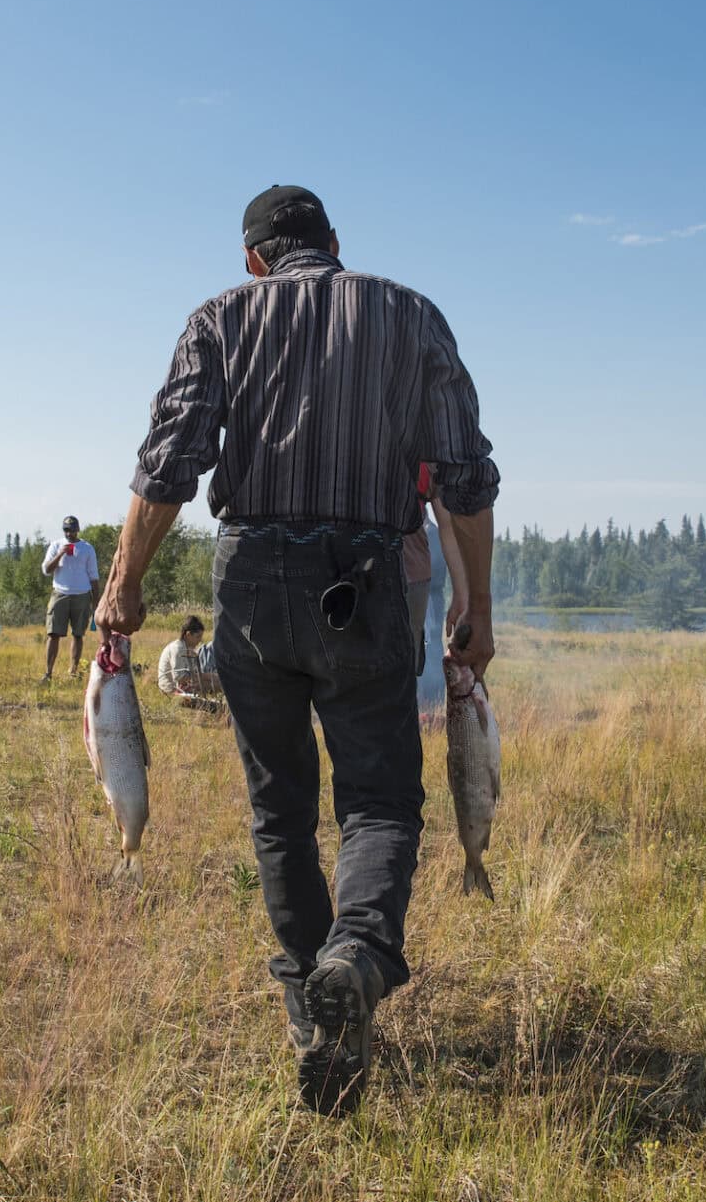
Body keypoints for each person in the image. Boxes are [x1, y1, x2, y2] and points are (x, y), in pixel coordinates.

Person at [95, 183, 498, 1116]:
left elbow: (168, 467)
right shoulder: (409, 314)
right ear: (335, 244)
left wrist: (124, 582)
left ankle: (311, 1012)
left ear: (253, 260)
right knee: (380, 798)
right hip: (361, 572)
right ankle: (354, 956)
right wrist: (475, 606)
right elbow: (467, 479)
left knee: (280, 807)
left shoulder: (220, 318)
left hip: (251, 584)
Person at [41, 515, 99, 681]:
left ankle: (73, 671)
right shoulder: (56, 546)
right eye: (66, 530)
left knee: (78, 634)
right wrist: (60, 554)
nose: (69, 533)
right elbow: (46, 570)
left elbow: (94, 577)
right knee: (53, 634)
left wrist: (96, 601)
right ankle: (48, 673)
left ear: (77, 530)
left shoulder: (88, 549)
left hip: (82, 596)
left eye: (72, 530)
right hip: (60, 594)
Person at [155, 613, 222, 710]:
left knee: (217, 680)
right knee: (216, 683)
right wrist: (204, 676)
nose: (200, 640)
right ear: (188, 635)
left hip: (180, 686)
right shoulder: (178, 649)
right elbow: (179, 677)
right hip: (171, 689)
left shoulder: (187, 648)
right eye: (198, 636)